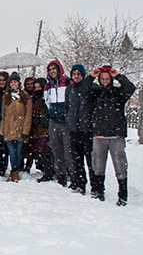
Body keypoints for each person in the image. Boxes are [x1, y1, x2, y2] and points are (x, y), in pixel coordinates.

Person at [84, 66, 136, 205]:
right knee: (98, 166)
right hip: (99, 135)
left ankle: (123, 195)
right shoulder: (95, 93)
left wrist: (119, 76)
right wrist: (91, 77)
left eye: (108, 79)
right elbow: (82, 91)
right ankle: (99, 191)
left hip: (116, 135)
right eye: (103, 79)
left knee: (120, 167)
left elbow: (131, 88)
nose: (105, 81)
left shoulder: (118, 93)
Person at [66, 64, 94, 195]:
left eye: (79, 74)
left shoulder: (90, 88)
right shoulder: (69, 89)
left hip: (86, 129)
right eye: (74, 74)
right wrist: (69, 121)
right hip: (73, 129)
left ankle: (95, 185)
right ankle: (80, 183)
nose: (76, 76)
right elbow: (67, 107)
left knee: (90, 160)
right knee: (77, 159)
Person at [0, 73, 32, 182]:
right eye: (12, 82)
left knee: (18, 151)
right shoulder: (6, 96)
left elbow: (28, 116)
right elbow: (3, 115)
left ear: (19, 83)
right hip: (8, 129)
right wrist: (1, 130)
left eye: (15, 82)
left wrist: (25, 131)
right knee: (11, 151)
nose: (13, 84)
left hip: (20, 128)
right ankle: (14, 171)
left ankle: (15, 171)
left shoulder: (25, 97)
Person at [45, 60, 73, 187]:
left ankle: (72, 174)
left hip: (66, 122)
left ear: (59, 69)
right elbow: (47, 102)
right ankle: (60, 174)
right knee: (56, 149)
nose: (52, 71)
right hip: (54, 120)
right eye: (50, 69)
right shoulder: (48, 86)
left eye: (54, 69)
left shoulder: (67, 83)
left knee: (69, 150)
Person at [28, 78, 53, 181]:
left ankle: (48, 173)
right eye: (36, 87)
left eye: (39, 87)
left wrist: (41, 119)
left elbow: (48, 111)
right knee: (40, 151)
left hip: (45, 128)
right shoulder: (35, 98)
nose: (37, 89)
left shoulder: (46, 97)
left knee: (47, 152)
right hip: (37, 130)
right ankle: (45, 170)